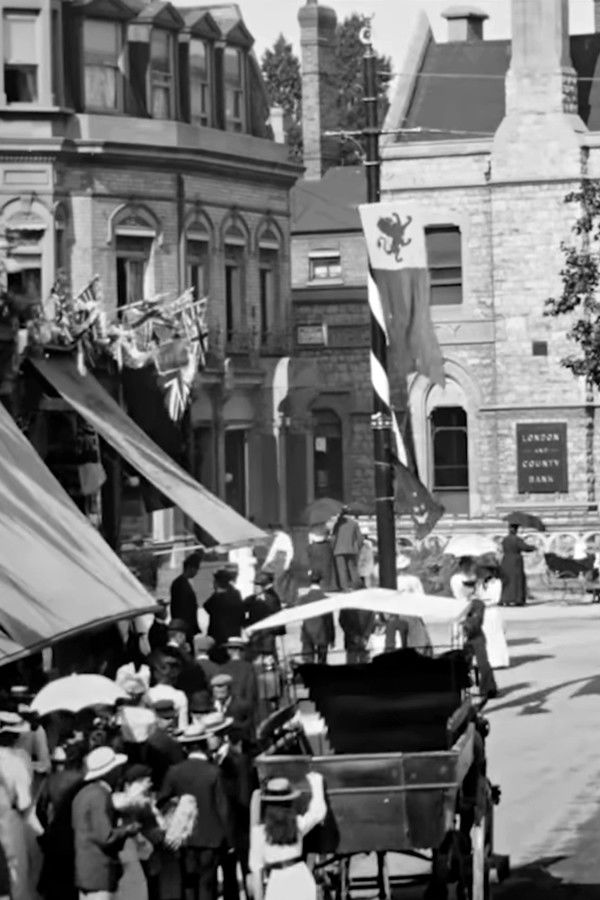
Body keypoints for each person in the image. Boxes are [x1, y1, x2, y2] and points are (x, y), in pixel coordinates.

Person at [158, 721, 234, 900]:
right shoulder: (214, 772)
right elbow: (223, 809)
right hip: (211, 839)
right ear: (204, 745)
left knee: (188, 884)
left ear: (185, 748)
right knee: (207, 885)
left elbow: (161, 802)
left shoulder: (174, 772)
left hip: (184, 838)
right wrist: (230, 840)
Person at [72, 746, 139, 900]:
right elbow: (106, 837)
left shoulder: (83, 793)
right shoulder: (99, 795)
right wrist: (127, 830)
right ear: (110, 772)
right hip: (100, 873)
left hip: (85, 871)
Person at [248, 772, 327, 900]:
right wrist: (316, 783)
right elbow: (318, 812)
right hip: (301, 878)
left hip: (277, 883)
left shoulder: (259, 833)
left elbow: (256, 874)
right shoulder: (296, 824)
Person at [37, 744, 83, 900]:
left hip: (56, 836)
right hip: (77, 836)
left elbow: (40, 810)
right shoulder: (82, 780)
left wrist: (47, 828)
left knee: (54, 886)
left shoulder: (50, 780)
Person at [461, 580, 498, 700]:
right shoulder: (461, 602)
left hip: (476, 636)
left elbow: (477, 621)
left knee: (483, 664)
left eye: (466, 588)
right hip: (464, 637)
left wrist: (466, 627)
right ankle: (464, 688)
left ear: (472, 589)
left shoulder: (478, 603)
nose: (463, 590)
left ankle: (489, 689)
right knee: (463, 664)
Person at [476, 558, 510, 670]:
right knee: (485, 636)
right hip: (483, 612)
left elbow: (495, 598)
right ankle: (488, 660)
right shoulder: (480, 583)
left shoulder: (496, 582)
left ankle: (499, 660)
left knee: (496, 636)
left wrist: (482, 600)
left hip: (492, 610)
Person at [244, 573, 284, 661]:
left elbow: (278, 616)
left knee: (269, 659)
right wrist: (247, 627)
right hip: (254, 636)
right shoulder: (249, 600)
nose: (255, 588)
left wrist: (276, 630)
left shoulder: (271, 600)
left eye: (257, 586)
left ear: (263, 587)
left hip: (268, 636)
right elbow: (242, 615)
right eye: (254, 586)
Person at [298, 572, 335, 664]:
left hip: (307, 634)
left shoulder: (303, 599)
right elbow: (330, 621)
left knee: (308, 663)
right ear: (321, 582)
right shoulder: (326, 599)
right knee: (322, 663)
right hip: (322, 634)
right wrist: (332, 638)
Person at [204, 570, 245, 649]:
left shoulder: (217, 598)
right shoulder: (236, 594)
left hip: (218, 638)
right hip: (233, 638)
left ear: (217, 582)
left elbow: (207, 606)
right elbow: (242, 615)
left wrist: (217, 592)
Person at [210, 675, 253, 746]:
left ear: (229, 689)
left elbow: (248, 727)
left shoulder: (242, 705)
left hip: (236, 744)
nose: (219, 691)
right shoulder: (210, 706)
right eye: (216, 688)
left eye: (222, 687)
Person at [170, 552, 203, 644]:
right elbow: (182, 610)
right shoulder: (180, 584)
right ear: (190, 568)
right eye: (196, 569)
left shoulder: (182, 583)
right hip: (183, 628)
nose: (196, 572)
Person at [500, 523, 535, 606]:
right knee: (517, 580)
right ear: (516, 530)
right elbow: (525, 547)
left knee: (507, 580)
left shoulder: (505, 539)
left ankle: (505, 599)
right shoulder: (517, 539)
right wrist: (533, 547)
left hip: (506, 560)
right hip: (515, 561)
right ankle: (517, 599)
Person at [221, 637, 258, 711]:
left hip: (228, 706)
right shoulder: (249, 667)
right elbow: (251, 688)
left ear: (229, 651)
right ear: (240, 650)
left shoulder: (222, 668)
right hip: (246, 705)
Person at [331, 507, 363, 591]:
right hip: (351, 549)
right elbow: (360, 538)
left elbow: (334, 538)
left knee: (342, 569)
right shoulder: (354, 523)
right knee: (352, 568)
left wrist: (332, 548)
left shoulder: (338, 524)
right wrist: (358, 548)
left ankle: (345, 587)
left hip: (338, 550)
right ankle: (357, 585)